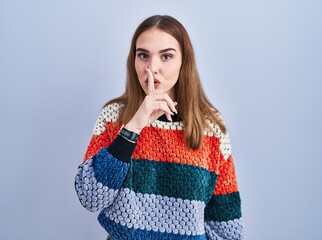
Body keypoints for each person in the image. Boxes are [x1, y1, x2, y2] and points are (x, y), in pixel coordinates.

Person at [75, 15, 244, 240]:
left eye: (166, 56)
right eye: (143, 55)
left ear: (184, 61)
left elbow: (228, 228)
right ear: (133, 60)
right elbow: (90, 196)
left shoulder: (210, 128)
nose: (152, 68)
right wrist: (133, 127)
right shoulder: (114, 117)